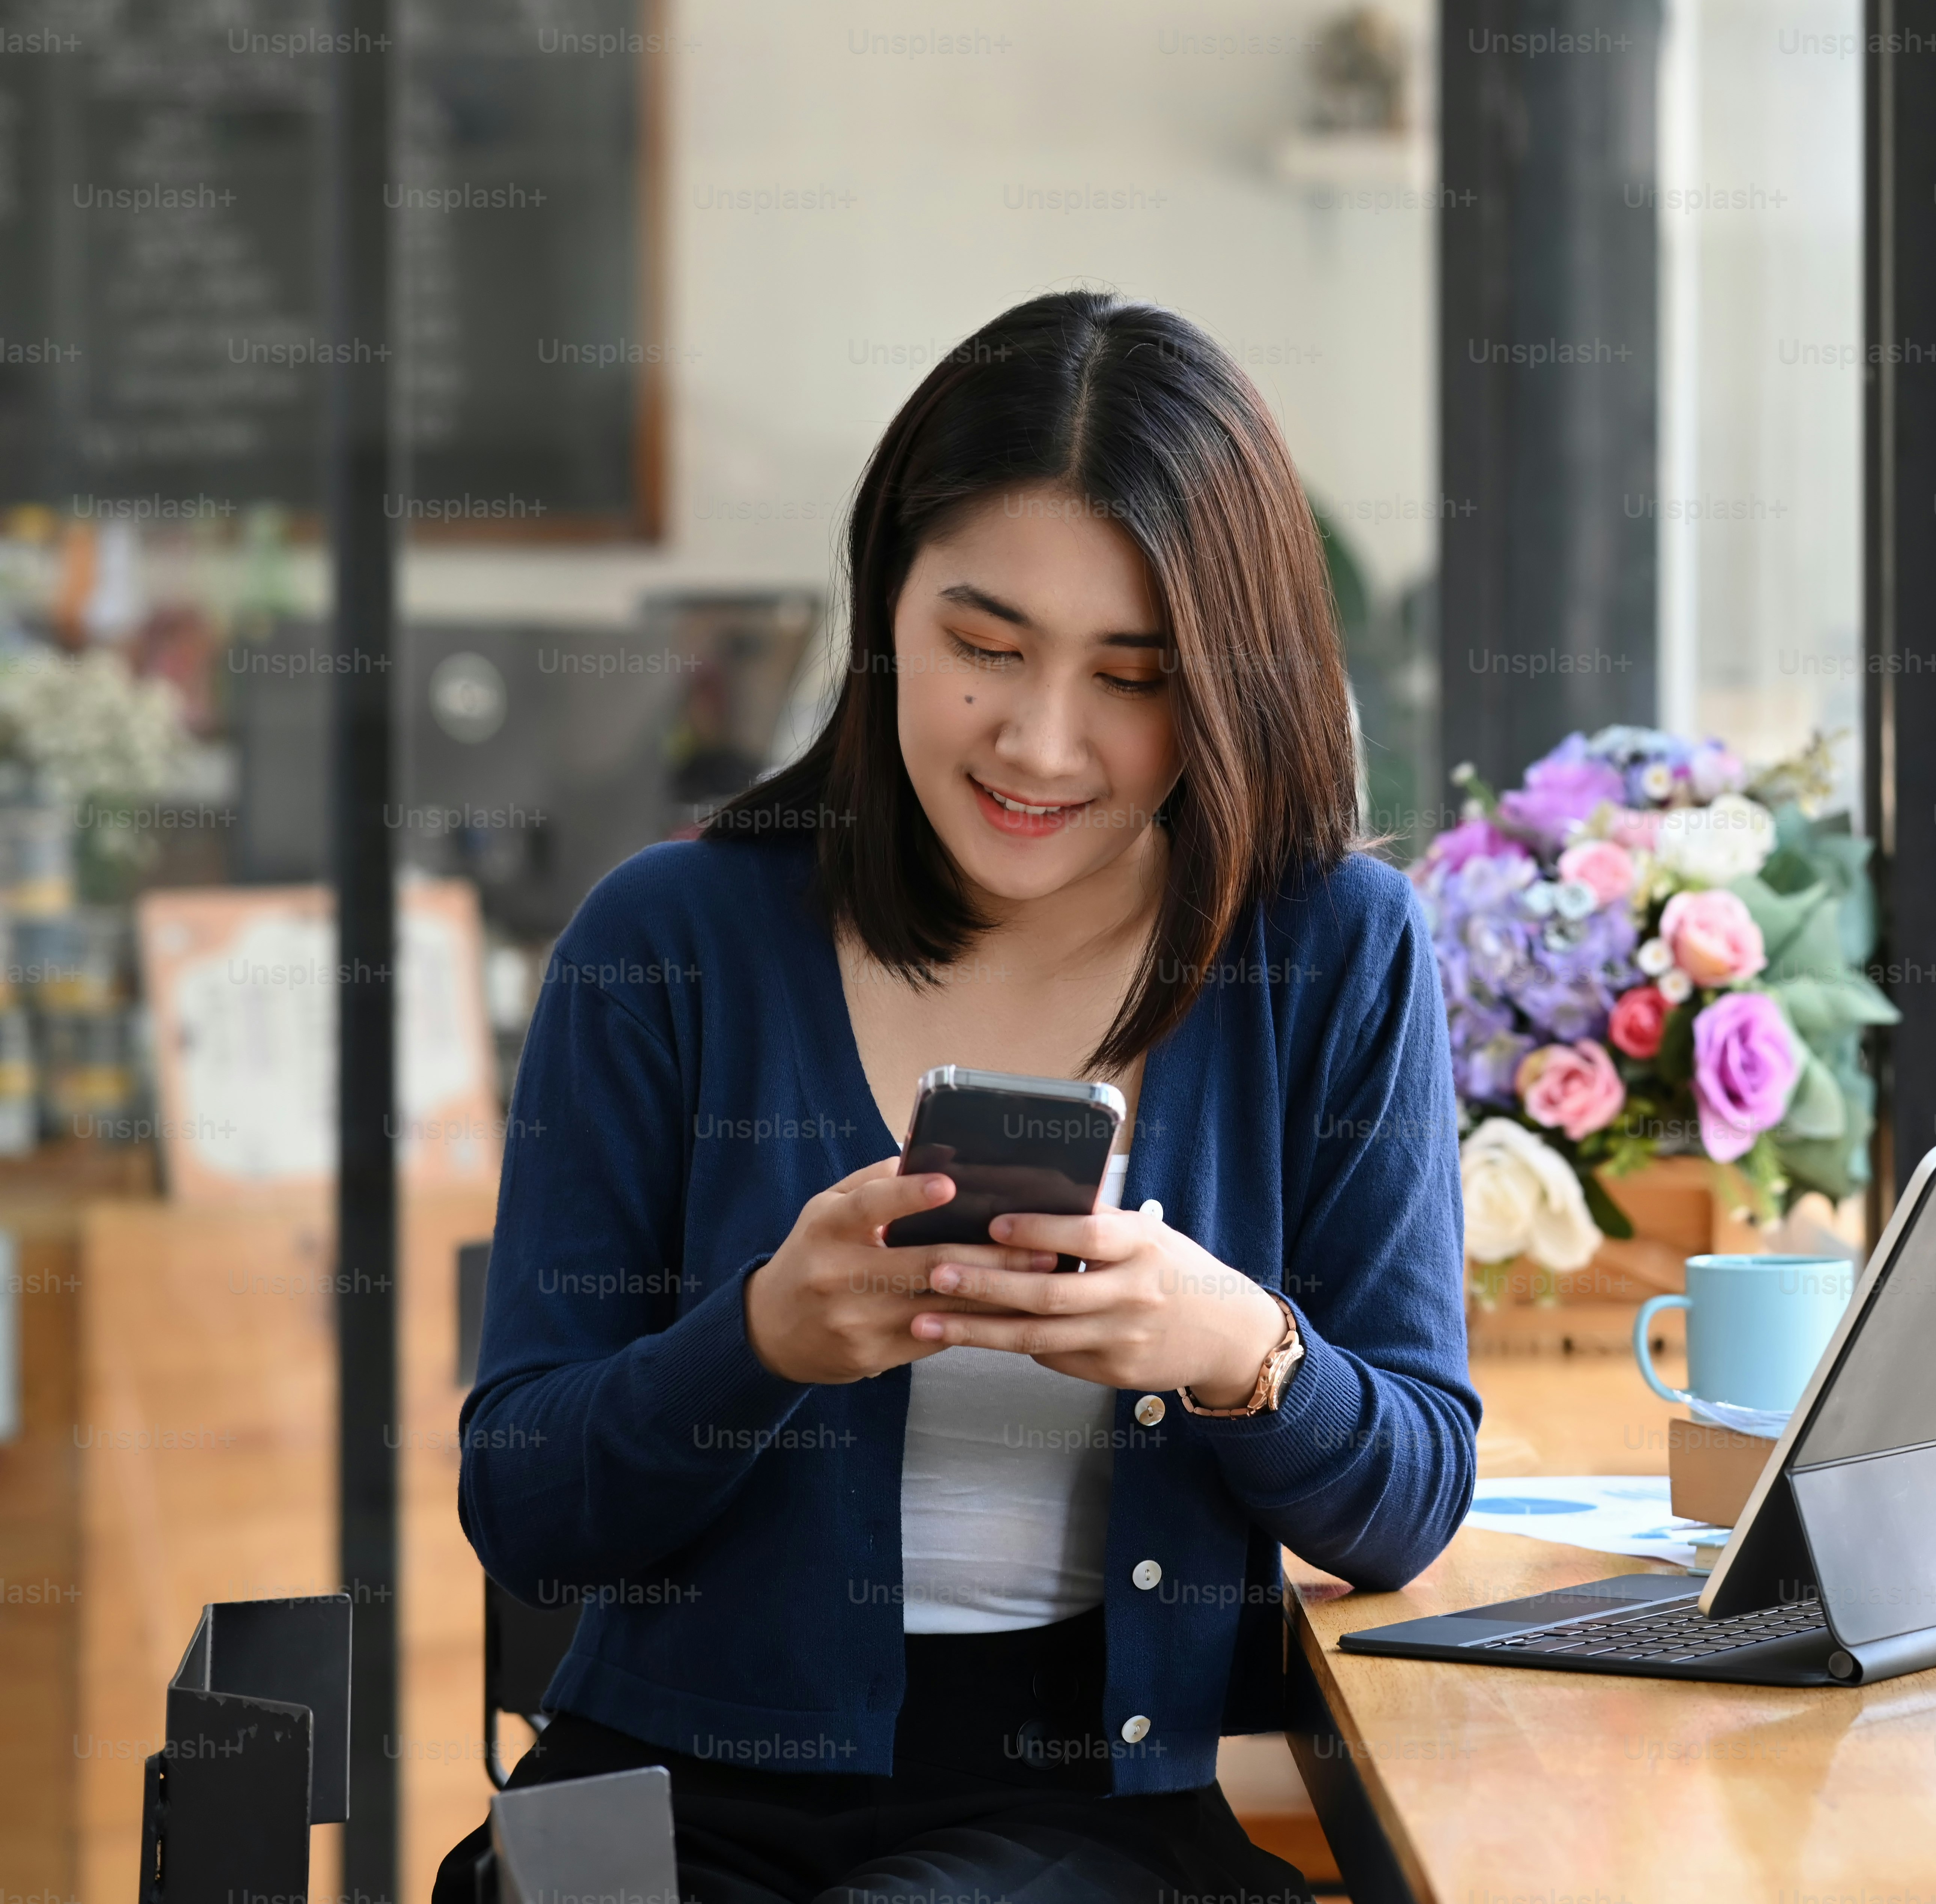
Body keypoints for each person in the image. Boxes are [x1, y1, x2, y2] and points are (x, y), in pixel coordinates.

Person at [435, 292, 1478, 1904]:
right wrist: (763, 1334)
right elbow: (524, 1503)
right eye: (983, 648)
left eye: (1132, 677)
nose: (1041, 742)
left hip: (1087, 1820)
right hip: (662, 1795)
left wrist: (1232, 1349)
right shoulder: (672, 939)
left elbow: (1409, 1496)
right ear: (886, 608)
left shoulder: (1333, 951)